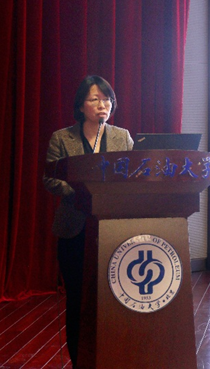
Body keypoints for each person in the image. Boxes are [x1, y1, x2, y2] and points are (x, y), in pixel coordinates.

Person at [42, 75, 134, 367]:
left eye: (107, 99)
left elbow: (132, 176)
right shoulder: (61, 138)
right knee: (78, 300)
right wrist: (80, 193)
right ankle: (79, 361)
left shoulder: (122, 137)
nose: (102, 105)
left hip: (112, 229)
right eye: (95, 99)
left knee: (113, 298)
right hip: (75, 229)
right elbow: (50, 179)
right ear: (81, 106)